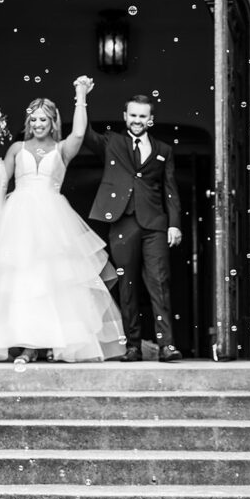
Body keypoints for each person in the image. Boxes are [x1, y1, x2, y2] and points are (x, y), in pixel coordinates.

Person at [0, 77, 125, 363]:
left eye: (45, 119)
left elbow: (79, 131)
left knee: (53, 280)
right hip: (18, 220)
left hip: (53, 220)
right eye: (35, 119)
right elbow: (1, 183)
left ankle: (51, 342)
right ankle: (25, 344)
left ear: (53, 122)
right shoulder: (17, 148)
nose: (39, 124)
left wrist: (80, 94)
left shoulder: (63, 149)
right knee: (21, 280)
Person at [84, 92, 182, 362]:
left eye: (143, 116)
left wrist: (174, 224)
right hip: (122, 222)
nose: (138, 120)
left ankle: (166, 345)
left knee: (159, 283)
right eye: (134, 115)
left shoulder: (164, 150)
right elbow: (85, 134)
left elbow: (170, 191)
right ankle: (132, 345)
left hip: (155, 225)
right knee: (127, 286)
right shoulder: (112, 142)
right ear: (125, 117)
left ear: (150, 120)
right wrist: (81, 97)